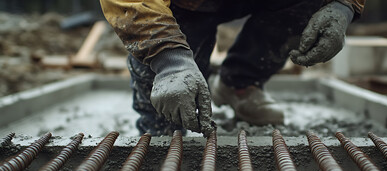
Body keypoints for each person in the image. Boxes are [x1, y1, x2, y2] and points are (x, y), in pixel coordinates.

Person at [100, 0, 364, 137]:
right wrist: (169, 60)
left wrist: (343, 6)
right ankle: (160, 126)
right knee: (166, 122)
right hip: (181, 6)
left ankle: (239, 84)